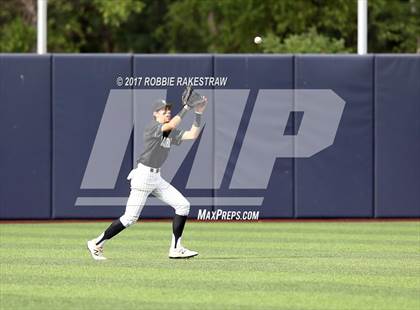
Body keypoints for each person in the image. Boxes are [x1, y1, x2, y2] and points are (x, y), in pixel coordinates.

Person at [87, 94, 207, 260]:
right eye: (163, 111)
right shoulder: (153, 127)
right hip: (143, 177)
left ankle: (175, 248)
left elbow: (192, 135)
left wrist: (199, 113)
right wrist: (186, 107)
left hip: (156, 178)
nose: (167, 113)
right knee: (130, 218)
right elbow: (171, 125)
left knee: (183, 205)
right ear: (155, 114)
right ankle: (96, 243)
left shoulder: (169, 132)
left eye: (168, 110)